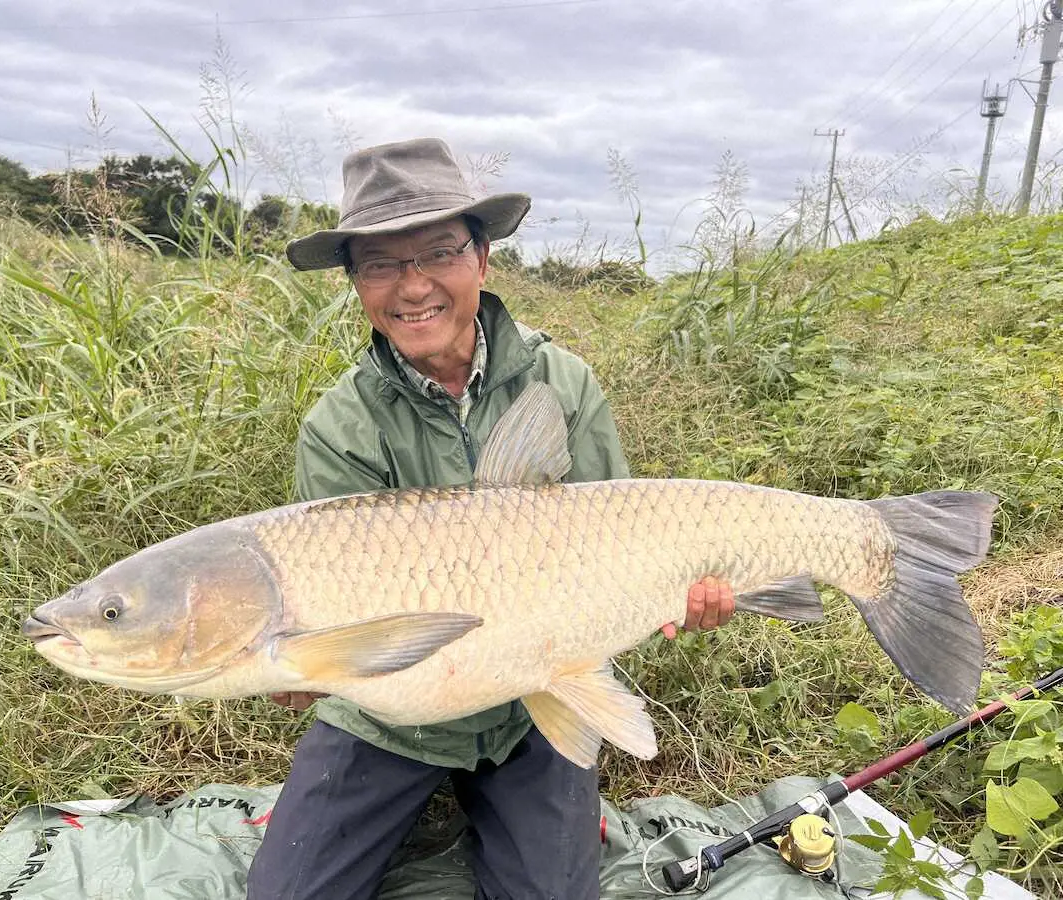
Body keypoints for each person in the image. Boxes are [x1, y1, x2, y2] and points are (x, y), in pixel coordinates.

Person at [246, 137, 734, 900]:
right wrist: (307, 670)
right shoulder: (338, 427)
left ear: (482, 260)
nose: (413, 288)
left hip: (535, 700)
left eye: (437, 252)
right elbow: (341, 635)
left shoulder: (562, 381)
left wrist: (676, 592)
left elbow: (624, 535)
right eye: (380, 264)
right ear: (355, 284)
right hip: (392, 719)